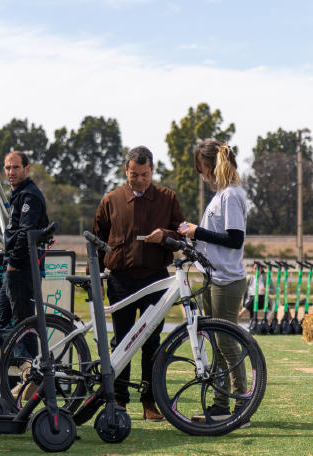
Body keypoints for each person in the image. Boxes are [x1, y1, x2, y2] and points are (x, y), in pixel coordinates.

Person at [92, 145, 184, 422]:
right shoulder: (110, 200)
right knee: (122, 341)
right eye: (134, 175)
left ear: (152, 171)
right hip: (120, 280)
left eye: (144, 175)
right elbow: (97, 241)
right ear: (126, 171)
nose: (140, 180)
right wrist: (94, 278)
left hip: (156, 280)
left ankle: (150, 402)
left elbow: (181, 234)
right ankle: (118, 400)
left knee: (152, 342)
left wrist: (165, 235)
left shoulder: (168, 198)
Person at [178, 139, 249, 427]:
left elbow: (235, 239)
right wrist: (193, 238)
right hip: (215, 277)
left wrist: (198, 232)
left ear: (208, 166)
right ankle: (221, 404)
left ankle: (242, 406)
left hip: (227, 280)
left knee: (227, 343)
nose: (201, 175)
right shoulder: (221, 196)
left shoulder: (231, 195)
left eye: (200, 169)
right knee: (218, 345)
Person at [0, 150, 49, 400]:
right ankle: (26, 372)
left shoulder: (29, 195)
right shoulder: (18, 194)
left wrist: (14, 263)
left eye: (15, 167)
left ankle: (33, 373)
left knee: (23, 323)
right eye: (7, 168)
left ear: (27, 169)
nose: (11, 172)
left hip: (21, 268)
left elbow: (26, 232)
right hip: (15, 267)